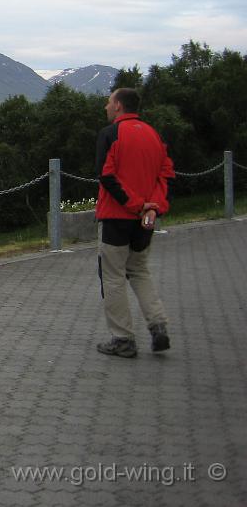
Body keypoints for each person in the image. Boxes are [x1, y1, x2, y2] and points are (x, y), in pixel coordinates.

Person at [94, 87, 174, 358]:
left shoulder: (111, 135)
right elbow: (166, 176)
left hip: (117, 217)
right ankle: (158, 325)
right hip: (146, 219)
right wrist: (152, 207)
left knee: (113, 276)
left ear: (118, 105)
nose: (106, 107)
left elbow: (106, 176)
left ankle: (122, 338)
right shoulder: (154, 135)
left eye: (108, 102)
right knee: (139, 270)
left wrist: (134, 205)